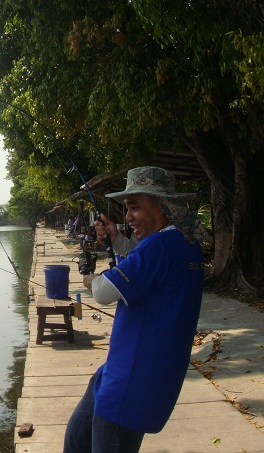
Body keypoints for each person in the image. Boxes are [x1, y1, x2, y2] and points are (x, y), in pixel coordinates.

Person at [63, 166, 208, 453]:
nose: (128, 217)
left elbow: (104, 292)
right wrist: (116, 240)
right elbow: (148, 268)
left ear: (161, 206)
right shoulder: (185, 246)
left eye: (134, 208)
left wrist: (92, 279)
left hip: (129, 384)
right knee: (77, 440)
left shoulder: (158, 247)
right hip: (129, 373)